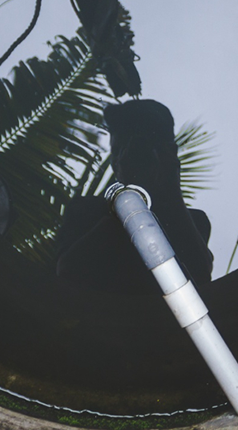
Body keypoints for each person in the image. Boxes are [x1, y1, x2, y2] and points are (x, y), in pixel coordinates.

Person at [55, 100, 214, 292]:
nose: (126, 156)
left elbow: (200, 276)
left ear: (169, 153)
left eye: (138, 147)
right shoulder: (86, 210)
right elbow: (68, 272)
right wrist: (131, 201)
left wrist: (171, 192)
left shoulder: (195, 221)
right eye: (118, 150)